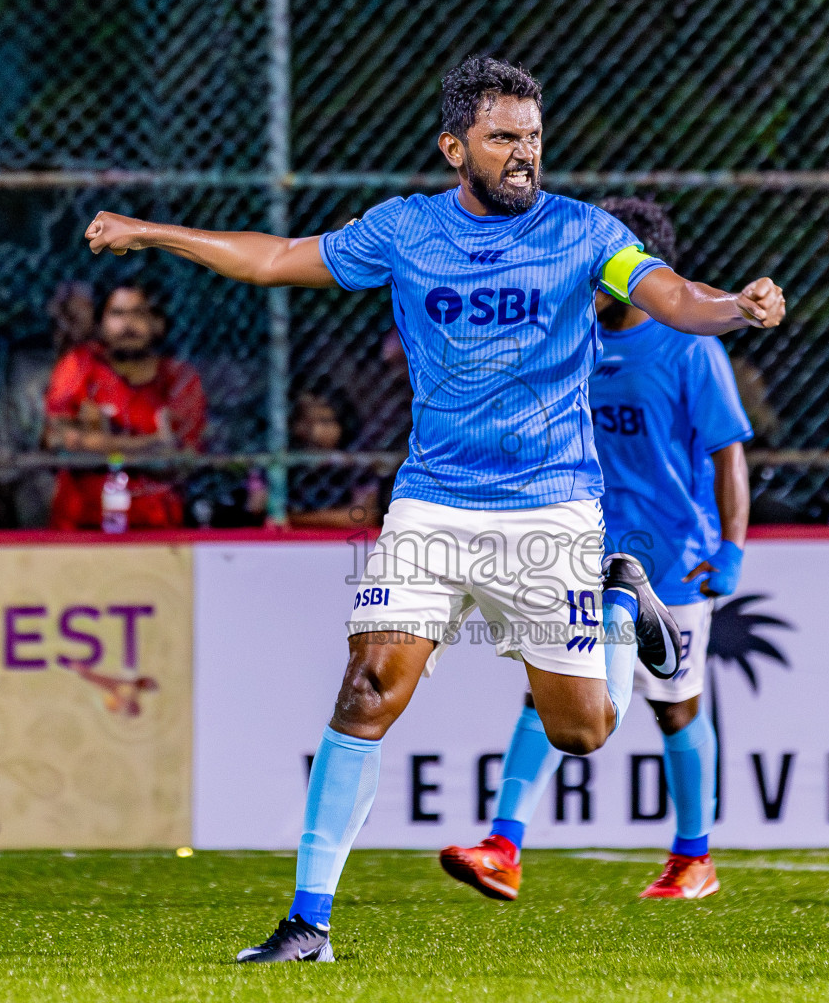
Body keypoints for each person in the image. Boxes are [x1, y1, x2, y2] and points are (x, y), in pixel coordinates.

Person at [84, 56, 783, 962]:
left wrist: (737, 306)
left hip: (553, 516)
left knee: (583, 731)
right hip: (433, 508)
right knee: (368, 688)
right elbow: (273, 260)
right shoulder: (405, 231)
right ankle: (308, 923)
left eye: (533, 135)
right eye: (503, 137)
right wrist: (152, 232)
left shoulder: (584, 233)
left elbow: (674, 299)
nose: (524, 152)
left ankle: (619, 606)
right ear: (455, 146)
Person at [439, 198, 749, 902]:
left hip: (671, 556)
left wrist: (730, 548)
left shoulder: (689, 345)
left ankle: (694, 858)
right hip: (582, 550)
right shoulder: (570, 337)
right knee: (546, 690)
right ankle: (503, 846)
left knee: (675, 705)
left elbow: (728, 450)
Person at [43, 282, 206, 530]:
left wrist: (97, 442)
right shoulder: (79, 367)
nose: (128, 325)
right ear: (100, 324)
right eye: (117, 314)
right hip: (81, 524)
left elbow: (179, 457)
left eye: (140, 314)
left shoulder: (178, 378)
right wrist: (150, 444)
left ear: (158, 325)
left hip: (157, 527)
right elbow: (59, 441)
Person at [0, 280, 96, 527]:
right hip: (39, 522)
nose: (67, 324)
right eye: (61, 312)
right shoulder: (27, 372)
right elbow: (0, 467)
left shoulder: (120, 375)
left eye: (77, 312)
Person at [286, 389, 382, 528]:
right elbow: (259, 511)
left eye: (325, 421)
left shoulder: (356, 459)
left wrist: (297, 519)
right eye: (304, 421)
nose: (313, 431)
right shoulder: (284, 459)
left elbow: (364, 516)